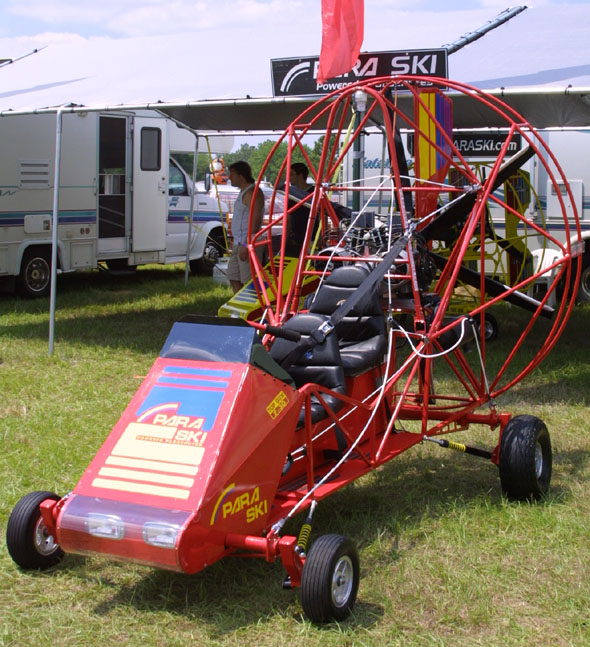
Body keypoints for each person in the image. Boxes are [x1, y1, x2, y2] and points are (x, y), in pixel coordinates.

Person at [227, 161, 265, 293]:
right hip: (239, 242)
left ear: (241, 175)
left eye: (232, 174)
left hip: (247, 242)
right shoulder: (244, 192)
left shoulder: (252, 192)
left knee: (249, 280)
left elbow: (255, 219)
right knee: (233, 275)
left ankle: (252, 307)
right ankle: (239, 305)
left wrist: (247, 243)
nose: (229, 177)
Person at [285, 162, 314, 256]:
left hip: (311, 238)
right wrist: (285, 240)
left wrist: (321, 237)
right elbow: (288, 217)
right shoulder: (291, 193)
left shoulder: (314, 192)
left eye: (292, 175)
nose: (289, 178)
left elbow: (323, 215)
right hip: (295, 239)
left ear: (300, 175)